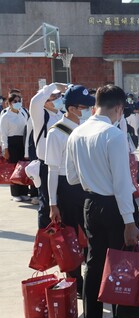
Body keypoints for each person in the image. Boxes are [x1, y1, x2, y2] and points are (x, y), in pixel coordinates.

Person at [66, 85, 139, 318]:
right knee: (122, 265)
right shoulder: (113, 135)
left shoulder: (76, 133)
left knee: (94, 265)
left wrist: (92, 179)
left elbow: (71, 178)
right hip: (116, 207)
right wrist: (129, 222)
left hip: (90, 204)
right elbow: (122, 183)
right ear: (119, 108)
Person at [46, 85, 95, 299]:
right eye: (85, 107)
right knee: (70, 238)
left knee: (92, 234)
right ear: (72, 108)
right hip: (67, 188)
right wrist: (52, 203)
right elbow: (52, 170)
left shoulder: (87, 127)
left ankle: (93, 277)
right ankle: (76, 282)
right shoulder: (56, 132)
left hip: (88, 185)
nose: (88, 111)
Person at [29, 82, 67, 229]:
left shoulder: (62, 115)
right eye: (53, 96)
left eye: (59, 95)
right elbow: (35, 101)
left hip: (63, 166)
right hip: (46, 166)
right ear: (45, 101)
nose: (58, 98)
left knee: (63, 204)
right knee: (47, 207)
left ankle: (62, 241)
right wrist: (52, 86)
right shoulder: (40, 115)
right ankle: (45, 242)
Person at [0, 93, 30, 201]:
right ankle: (16, 193)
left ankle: (24, 191)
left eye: (19, 101)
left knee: (24, 167)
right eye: (15, 102)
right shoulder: (5, 116)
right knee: (14, 168)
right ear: (9, 103)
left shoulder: (23, 113)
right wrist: (5, 149)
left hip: (23, 142)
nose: (18, 103)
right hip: (12, 143)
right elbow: (3, 134)